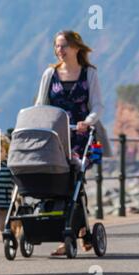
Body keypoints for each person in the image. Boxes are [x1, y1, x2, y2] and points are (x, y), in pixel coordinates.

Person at [35, 30, 112, 256]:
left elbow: (98, 105)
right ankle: (80, 230)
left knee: (74, 180)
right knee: (64, 183)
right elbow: (41, 103)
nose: (59, 50)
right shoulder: (50, 73)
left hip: (81, 136)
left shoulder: (89, 74)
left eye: (63, 46)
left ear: (76, 47)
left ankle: (72, 232)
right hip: (57, 136)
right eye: (57, 46)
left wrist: (87, 122)